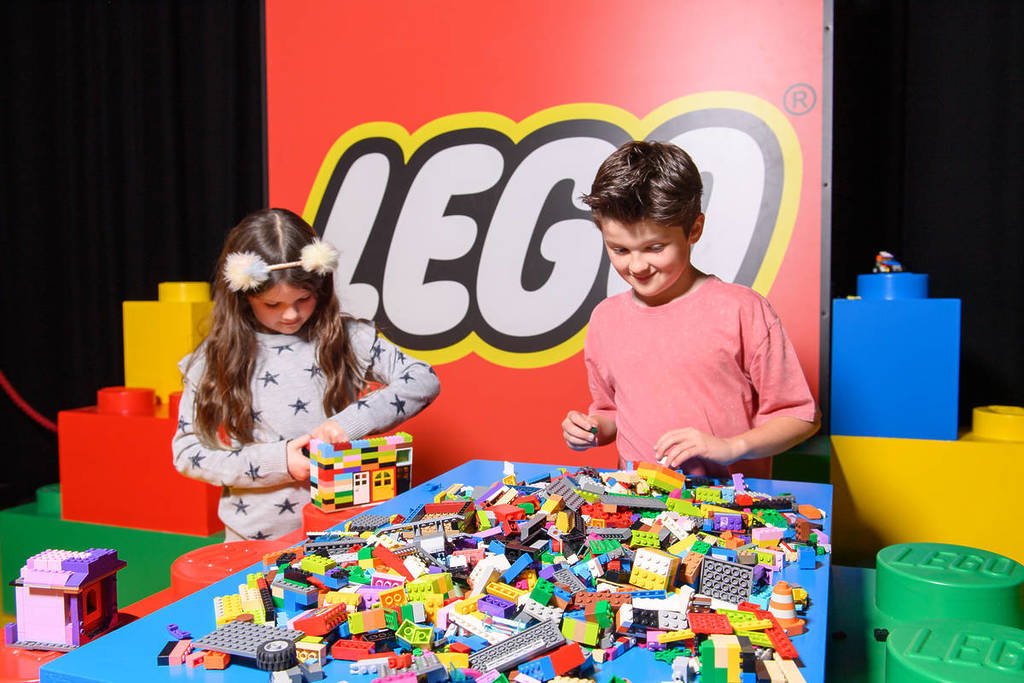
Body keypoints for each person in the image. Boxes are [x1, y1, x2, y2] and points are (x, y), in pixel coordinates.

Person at [173, 208, 440, 540]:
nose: (290, 314)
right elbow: (187, 454)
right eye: (272, 304)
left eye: (303, 298)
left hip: (346, 532)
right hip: (253, 541)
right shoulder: (214, 357)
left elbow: (423, 377)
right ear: (242, 297)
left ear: (320, 286)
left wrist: (349, 423)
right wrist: (279, 462)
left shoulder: (345, 337)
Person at [561, 141, 818, 477]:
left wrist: (731, 447)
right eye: (620, 249)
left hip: (726, 511)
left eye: (655, 247)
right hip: (637, 505)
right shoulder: (605, 319)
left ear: (694, 229)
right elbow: (611, 413)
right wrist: (591, 428)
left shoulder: (743, 311)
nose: (637, 266)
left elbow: (800, 417)